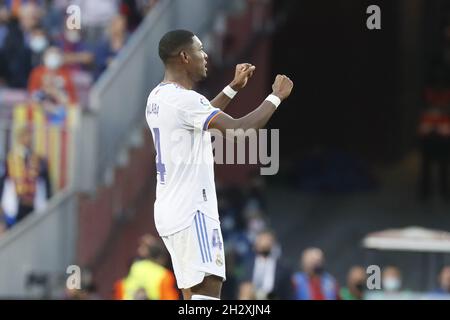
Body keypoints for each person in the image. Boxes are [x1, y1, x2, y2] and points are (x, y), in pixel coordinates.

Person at [145, 29, 293, 300]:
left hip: (169, 209)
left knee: (192, 293)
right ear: (184, 57)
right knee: (209, 290)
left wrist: (232, 88)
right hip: (193, 211)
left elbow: (199, 117)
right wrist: (275, 97)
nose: (205, 55)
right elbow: (239, 131)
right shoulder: (186, 99)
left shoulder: (157, 97)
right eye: (200, 50)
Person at [238, 230, 293, 300]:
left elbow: (288, 293)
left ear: (273, 244)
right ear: (256, 244)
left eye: (268, 240)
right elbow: (242, 287)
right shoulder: (247, 265)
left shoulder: (283, 268)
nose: (265, 243)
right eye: (262, 240)